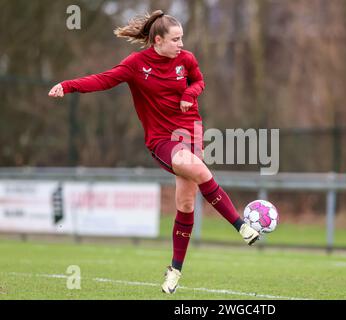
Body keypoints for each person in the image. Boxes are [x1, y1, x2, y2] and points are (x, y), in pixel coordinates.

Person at [48, 10, 260, 294]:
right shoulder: (136, 65)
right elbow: (103, 79)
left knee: (185, 203)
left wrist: (189, 94)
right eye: (175, 39)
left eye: (182, 38)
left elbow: (199, 81)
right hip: (162, 139)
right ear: (157, 40)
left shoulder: (186, 60)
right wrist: (67, 85)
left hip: (191, 132)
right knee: (198, 170)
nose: (181, 44)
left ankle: (174, 270)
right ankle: (241, 226)